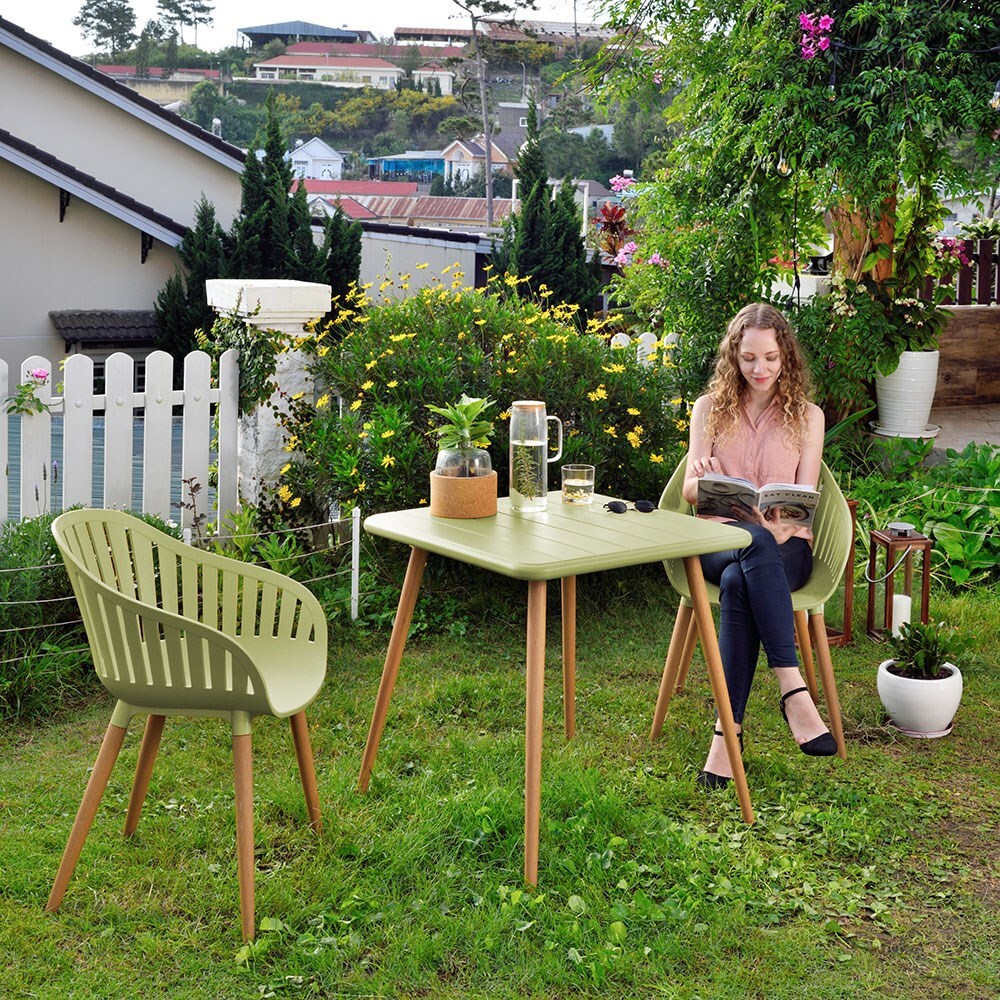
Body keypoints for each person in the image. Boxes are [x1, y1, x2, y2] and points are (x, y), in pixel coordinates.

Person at [682, 302, 837, 788]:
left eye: (770, 358)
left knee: (741, 576)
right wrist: (703, 479)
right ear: (734, 355)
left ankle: (726, 737)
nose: (760, 369)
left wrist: (775, 522)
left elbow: (803, 500)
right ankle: (793, 690)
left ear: (785, 356)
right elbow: (689, 493)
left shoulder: (808, 417)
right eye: (748, 358)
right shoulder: (708, 408)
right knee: (745, 549)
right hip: (717, 539)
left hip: (786, 546)